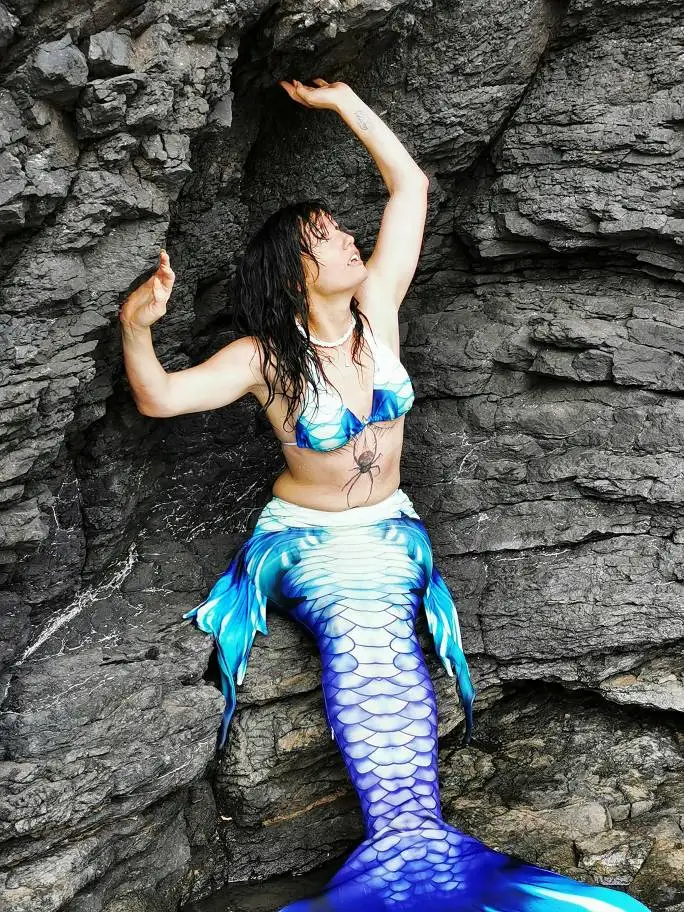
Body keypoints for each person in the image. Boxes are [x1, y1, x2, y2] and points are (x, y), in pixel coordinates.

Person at [119, 79, 651, 912]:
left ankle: (418, 845)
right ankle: (405, 842)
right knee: (368, 631)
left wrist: (347, 106)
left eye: (338, 228)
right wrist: (137, 325)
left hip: (393, 527)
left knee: (390, 616)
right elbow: (159, 398)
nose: (346, 240)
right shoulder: (263, 357)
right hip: (310, 540)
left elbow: (410, 188)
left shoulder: (378, 311)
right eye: (325, 237)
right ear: (293, 273)